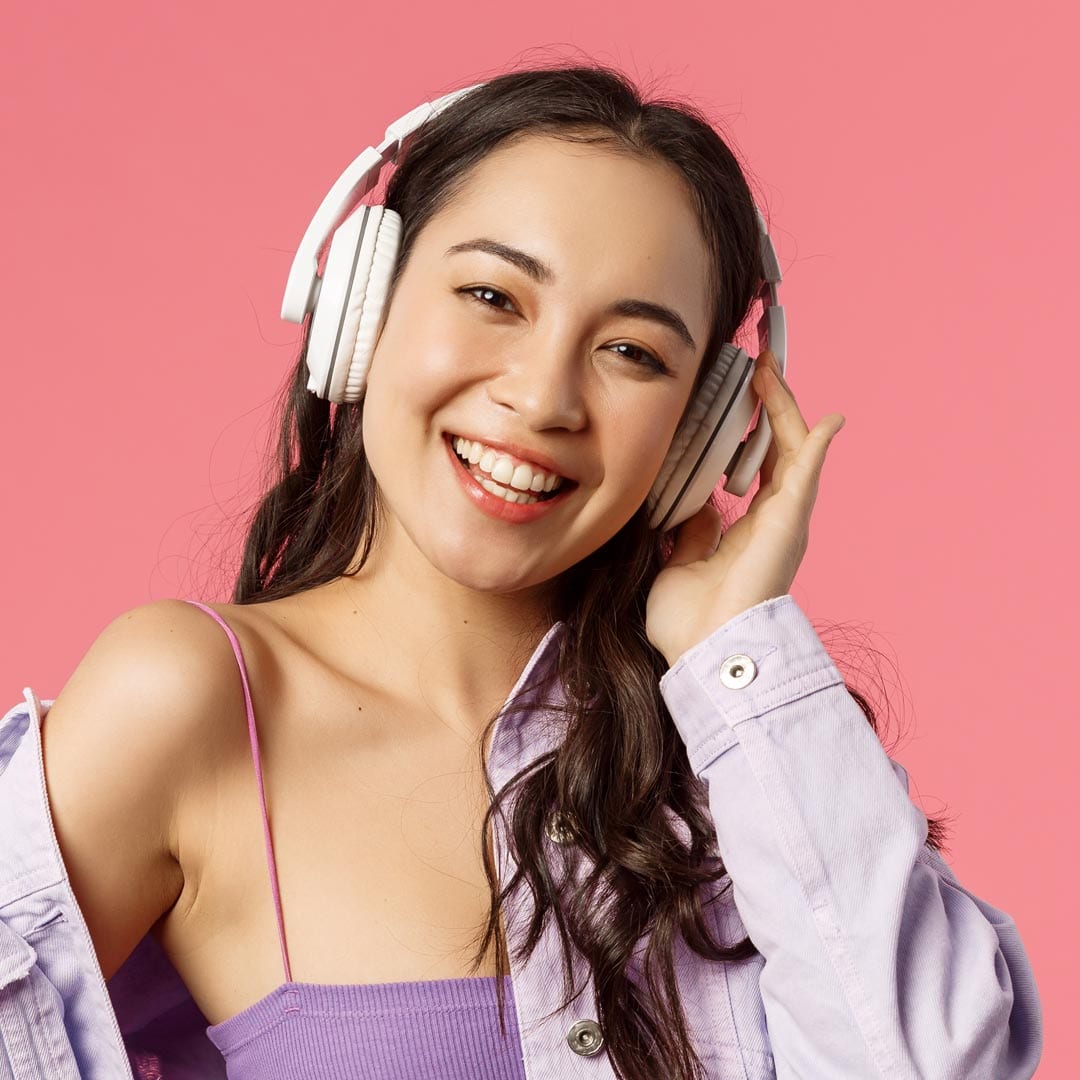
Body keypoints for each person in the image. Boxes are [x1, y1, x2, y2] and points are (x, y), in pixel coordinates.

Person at [0, 64, 1043, 1080]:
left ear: (702, 432)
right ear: (363, 306)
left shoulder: (746, 756)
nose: (544, 399)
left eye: (632, 353)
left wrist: (738, 647)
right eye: (492, 295)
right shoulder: (191, 702)